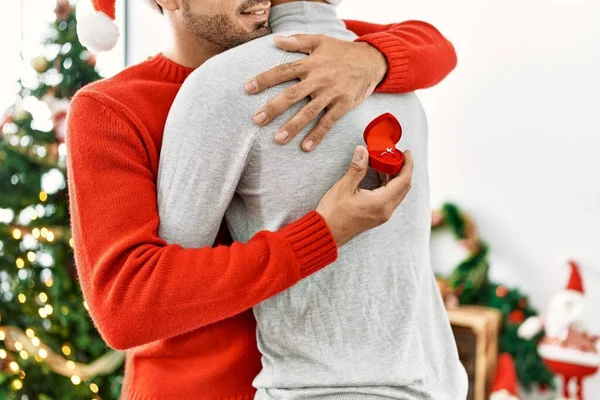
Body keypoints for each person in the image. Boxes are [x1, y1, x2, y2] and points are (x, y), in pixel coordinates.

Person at [67, 0, 458, 398]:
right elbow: (124, 307)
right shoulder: (112, 109)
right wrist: (319, 236)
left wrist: (372, 58)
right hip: (196, 389)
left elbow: (434, 45)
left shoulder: (315, 56)